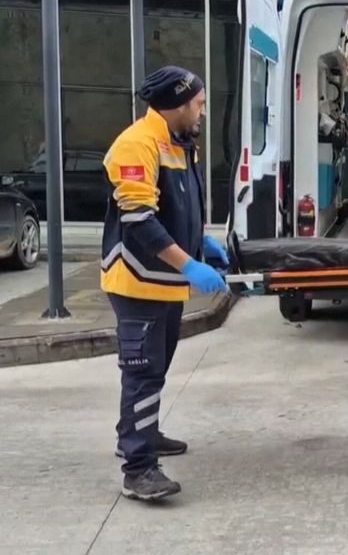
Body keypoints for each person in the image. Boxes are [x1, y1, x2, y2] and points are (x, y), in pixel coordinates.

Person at [101, 65, 228, 501]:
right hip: (137, 283)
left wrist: (200, 243)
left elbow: (178, 208)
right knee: (143, 372)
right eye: (199, 104)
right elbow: (139, 221)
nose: (203, 112)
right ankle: (138, 469)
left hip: (166, 283)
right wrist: (189, 265)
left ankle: (141, 433)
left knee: (156, 367)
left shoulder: (180, 144)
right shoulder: (136, 144)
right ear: (177, 103)